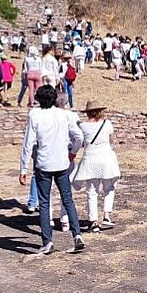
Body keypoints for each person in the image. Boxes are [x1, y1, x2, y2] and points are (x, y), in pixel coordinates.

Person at [19, 85, 86, 254]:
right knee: (67, 199)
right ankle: (77, 234)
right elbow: (79, 136)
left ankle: (47, 241)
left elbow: (28, 143)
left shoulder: (34, 115)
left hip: (43, 163)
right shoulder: (64, 115)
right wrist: (73, 152)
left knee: (44, 202)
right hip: (61, 162)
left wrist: (23, 168)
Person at [72, 101, 121, 233]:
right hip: (106, 158)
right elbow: (112, 141)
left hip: (90, 159)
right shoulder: (107, 124)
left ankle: (93, 221)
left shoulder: (82, 126)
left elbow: (80, 141)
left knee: (91, 191)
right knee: (109, 187)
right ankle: (106, 214)